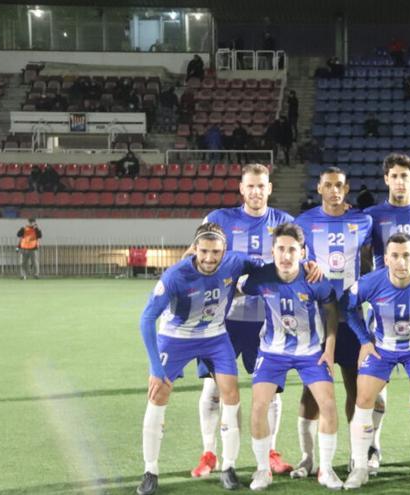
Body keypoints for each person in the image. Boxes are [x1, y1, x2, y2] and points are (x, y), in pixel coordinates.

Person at [135, 223, 263, 495]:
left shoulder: (234, 262)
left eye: (215, 252)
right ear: (194, 248)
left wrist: (298, 267)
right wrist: (156, 368)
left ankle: (228, 467)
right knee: (157, 395)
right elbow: (147, 318)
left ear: (224, 250)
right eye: (203, 251)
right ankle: (150, 470)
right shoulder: (174, 276)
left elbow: (262, 269)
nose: (209, 258)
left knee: (231, 393)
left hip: (215, 337)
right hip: (176, 337)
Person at [189, 164, 298, 479]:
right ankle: (209, 453)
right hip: (222, 320)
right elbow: (195, 256)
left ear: (269, 188)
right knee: (212, 388)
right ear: (241, 188)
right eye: (250, 186)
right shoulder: (220, 220)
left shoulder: (283, 222)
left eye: (261, 186)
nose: (256, 192)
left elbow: (296, 260)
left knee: (272, 389)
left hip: (268, 320)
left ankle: (272, 451)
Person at [342, 233, 410, 490]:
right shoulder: (370, 283)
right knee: (362, 400)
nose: (401, 262)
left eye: (406, 256)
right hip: (381, 349)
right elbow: (346, 306)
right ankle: (360, 466)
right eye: (395, 256)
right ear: (386, 260)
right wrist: (364, 340)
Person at [240, 223, 344, 490]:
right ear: (272, 251)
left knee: (328, 404)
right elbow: (234, 284)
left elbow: (332, 312)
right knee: (259, 406)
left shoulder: (315, 279)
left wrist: (329, 348)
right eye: (281, 249)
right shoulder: (260, 277)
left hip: (310, 351)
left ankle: (326, 469)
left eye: (292, 250)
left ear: (303, 252)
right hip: (273, 351)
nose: (286, 256)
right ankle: (263, 470)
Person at [293, 167, 373, 478]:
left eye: (339, 185)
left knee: (356, 387)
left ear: (347, 188)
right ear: (319, 188)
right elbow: (294, 258)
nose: (334, 190)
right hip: (316, 317)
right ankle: (307, 457)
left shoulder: (363, 220)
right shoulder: (304, 222)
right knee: (311, 389)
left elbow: (374, 255)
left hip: (351, 315)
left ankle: (356, 455)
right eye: (328, 185)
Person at [362, 153, 410, 465]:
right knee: (376, 380)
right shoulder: (372, 214)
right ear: (385, 179)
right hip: (382, 306)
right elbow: (362, 252)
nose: (399, 181)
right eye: (393, 176)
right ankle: (373, 447)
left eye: (404, 176)